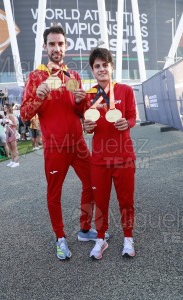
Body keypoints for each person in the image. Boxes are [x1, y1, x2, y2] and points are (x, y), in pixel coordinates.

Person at [20, 26, 108, 260]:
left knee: (93, 184)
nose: (56, 48)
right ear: (45, 47)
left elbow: (81, 112)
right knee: (54, 194)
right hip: (55, 147)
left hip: (78, 144)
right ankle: (60, 238)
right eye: (52, 44)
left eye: (60, 44)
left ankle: (85, 229)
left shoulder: (73, 76)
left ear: (66, 47)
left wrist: (82, 103)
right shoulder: (35, 77)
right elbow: (25, 114)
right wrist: (38, 97)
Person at [74, 48, 136, 260]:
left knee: (126, 201)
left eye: (105, 65)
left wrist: (125, 123)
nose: (101, 69)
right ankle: (100, 238)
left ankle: (128, 237)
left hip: (124, 157)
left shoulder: (126, 90)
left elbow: (132, 118)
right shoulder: (89, 95)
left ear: (111, 67)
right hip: (99, 160)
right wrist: (87, 128)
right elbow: (87, 125)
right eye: (97, 66)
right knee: (100, 202)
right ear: (93, 70)